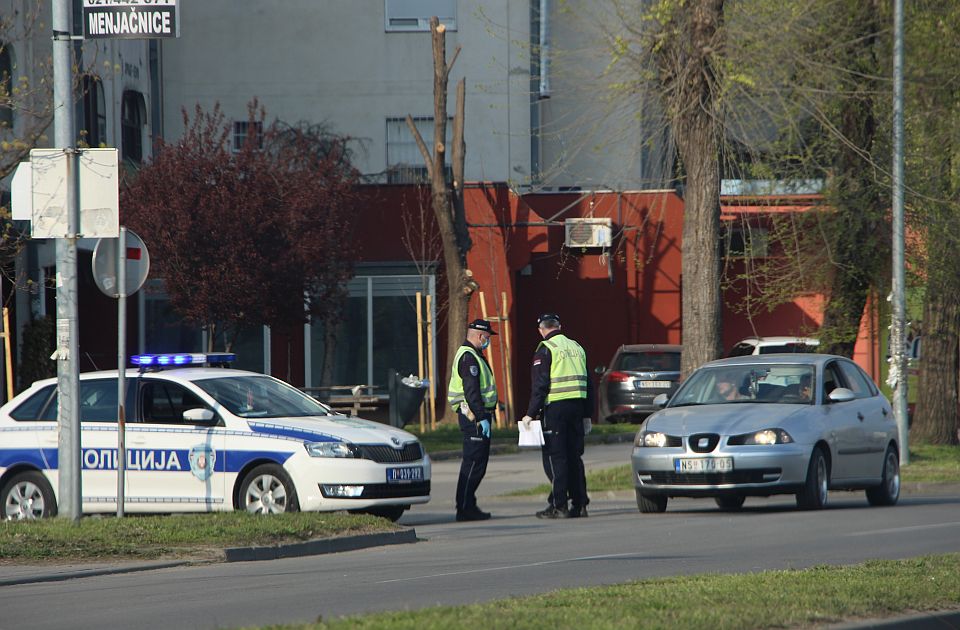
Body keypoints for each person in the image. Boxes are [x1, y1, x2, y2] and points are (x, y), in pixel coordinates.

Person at [521, 313, 593, 519]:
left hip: (555, 410)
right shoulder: (577, 347)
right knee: (574, 457)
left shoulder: (545, 349)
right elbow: (589, 384)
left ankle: (558, 505)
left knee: (556, 458)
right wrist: (588, 414)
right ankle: (579, 504)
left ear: (541, 330)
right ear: (559, 326)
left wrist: (530, 414)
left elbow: (540, 385)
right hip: (577, 408)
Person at [446, 318, 499, 522]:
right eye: (487, 337)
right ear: (479, 336)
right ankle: (465, 508)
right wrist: (481, 417)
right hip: (473, 417)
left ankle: (469, 504)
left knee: (478, 463)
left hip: (478, 415)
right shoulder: (469, 358)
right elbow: (471, 391)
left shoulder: (473, 355)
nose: (488, 341)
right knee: (474, 462)